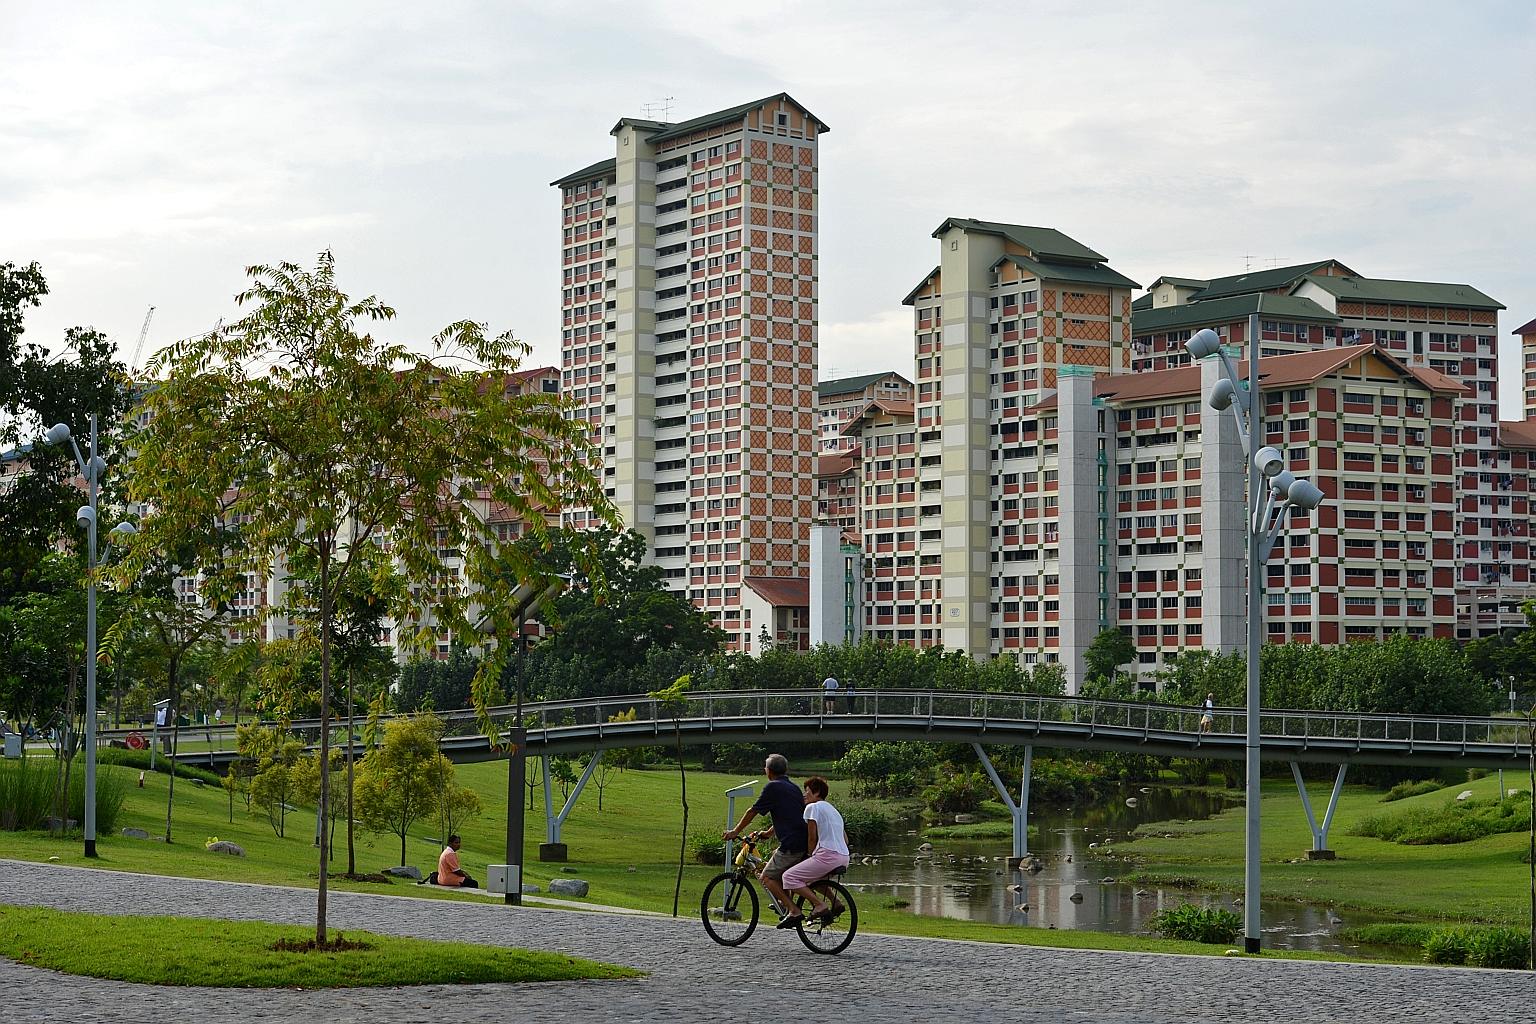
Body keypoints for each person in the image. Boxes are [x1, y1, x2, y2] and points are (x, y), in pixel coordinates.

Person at [722, 752, 808, 918]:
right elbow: (788, 815)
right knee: (781, 872)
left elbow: (753, 811)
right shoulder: (793, 788)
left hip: (791, 844)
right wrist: (767, 833)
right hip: (802, 841)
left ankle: (793, 910)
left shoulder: (773, 787)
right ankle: (785, 906)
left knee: (766, 877)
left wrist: (735, 832)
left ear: (768, 771)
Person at [778, 775, 850, 928]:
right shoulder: (833, 810)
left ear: (816, 792)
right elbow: (846, 839)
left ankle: (819, 905)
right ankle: (835, 902)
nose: (804, 795)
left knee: (788, 877)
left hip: (827, 855)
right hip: (843, 857)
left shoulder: (812, 808)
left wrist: (809, 856)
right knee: (812, 880)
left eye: (807, 791)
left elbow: (812, 837)